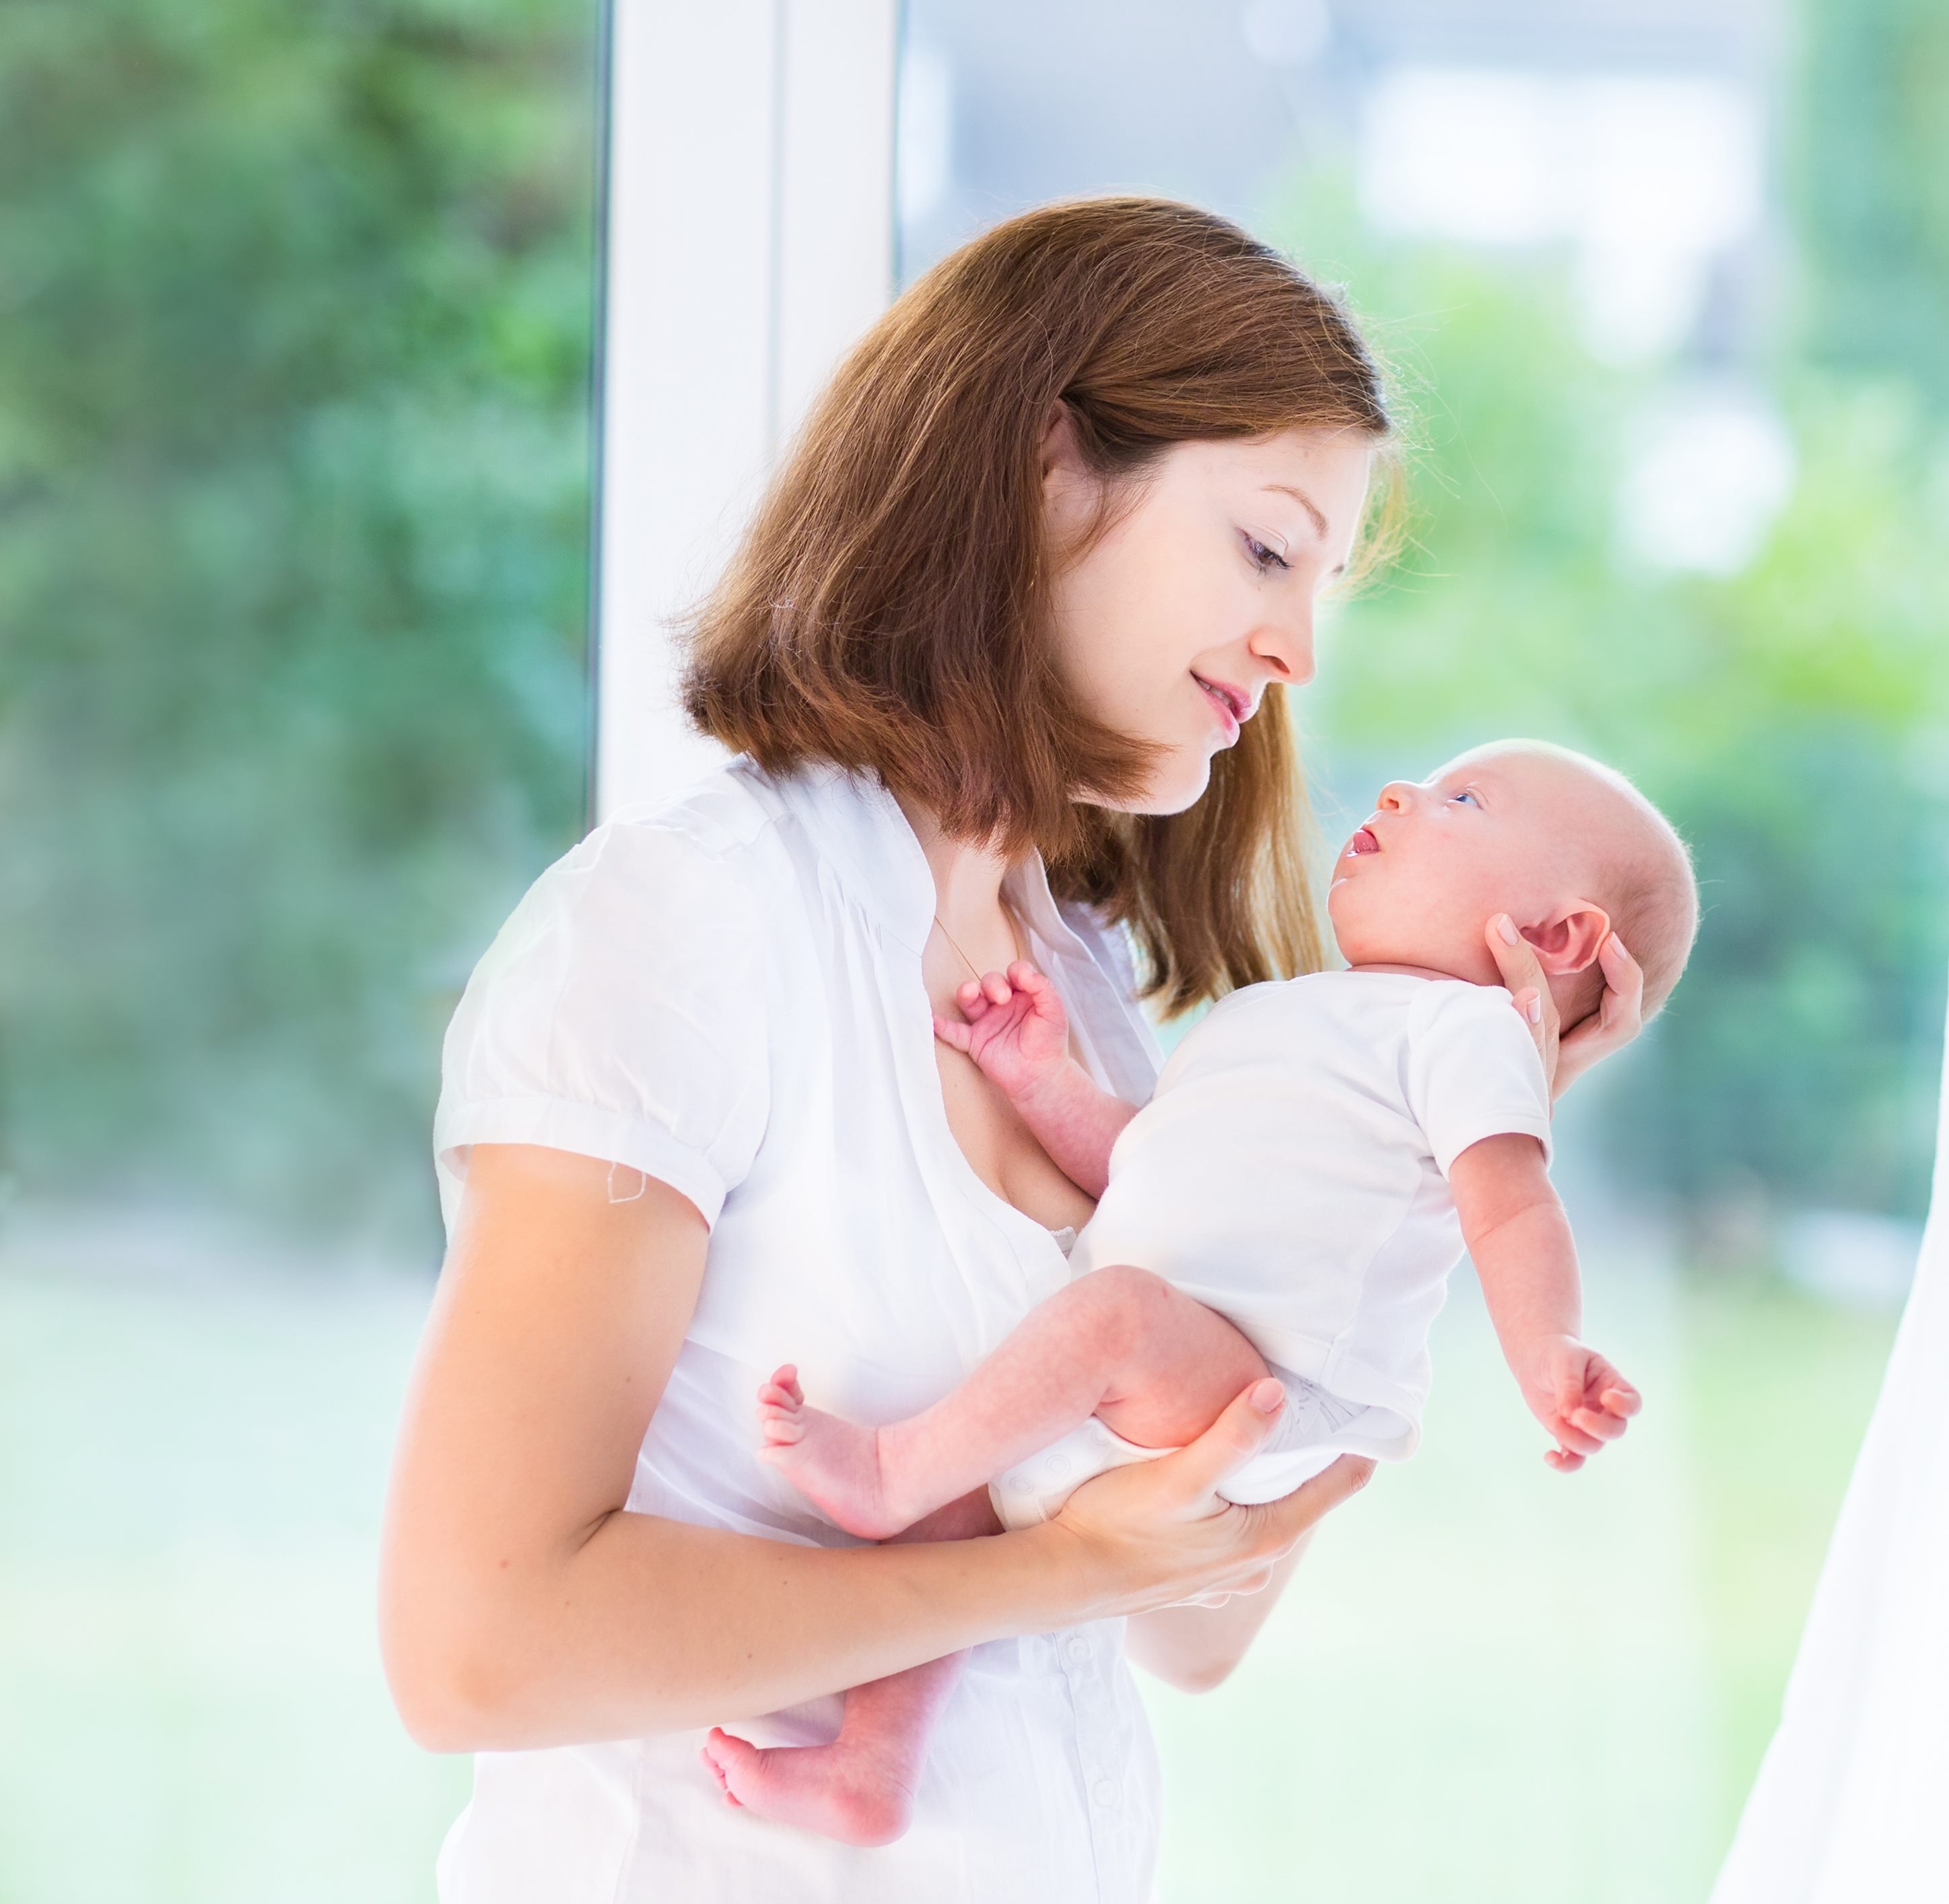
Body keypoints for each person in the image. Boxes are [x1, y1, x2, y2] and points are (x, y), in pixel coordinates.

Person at [376, 198, 1650, 1901]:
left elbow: (1195, 1627)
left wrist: (1442, 1160)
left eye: (1322, 587)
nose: (1299, 651)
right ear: (1049, 466)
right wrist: (1042, 1573)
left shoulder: (1079, 983)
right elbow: (478, 1649)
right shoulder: (693, 930)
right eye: (1267, 551)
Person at [722, 741, 1701, 1841]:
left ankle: (883, 1475)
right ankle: (870, 1767)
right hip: (1179, 1361)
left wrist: (1546, 1348)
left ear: (1556, 938)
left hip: (1274, 1383)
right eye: (1421, 781)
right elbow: (1153, 1166)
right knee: (965, 1495)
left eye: (1462, 799)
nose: (1398, 791)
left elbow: (1512, 1208)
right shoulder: (1279, 1014)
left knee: (1093, 1330)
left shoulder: (1464, 1031)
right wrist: (1043, 1083)